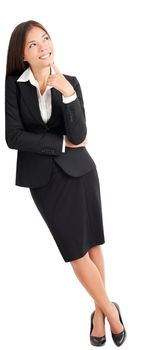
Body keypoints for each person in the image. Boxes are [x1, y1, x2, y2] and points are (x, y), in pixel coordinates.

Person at [5, 20, 126, 347]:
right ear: (22, 55)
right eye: (33, 44)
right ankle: (112, 311)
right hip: (43, 182)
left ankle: (99, 314)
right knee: (74, 252)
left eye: (45, 38)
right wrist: (57, 144)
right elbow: (13, 138)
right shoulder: (14, 86)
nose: (43, 46)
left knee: (92, 245)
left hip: (81, 173)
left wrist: (68, 94)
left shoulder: (69, 82)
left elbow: (80, 136)